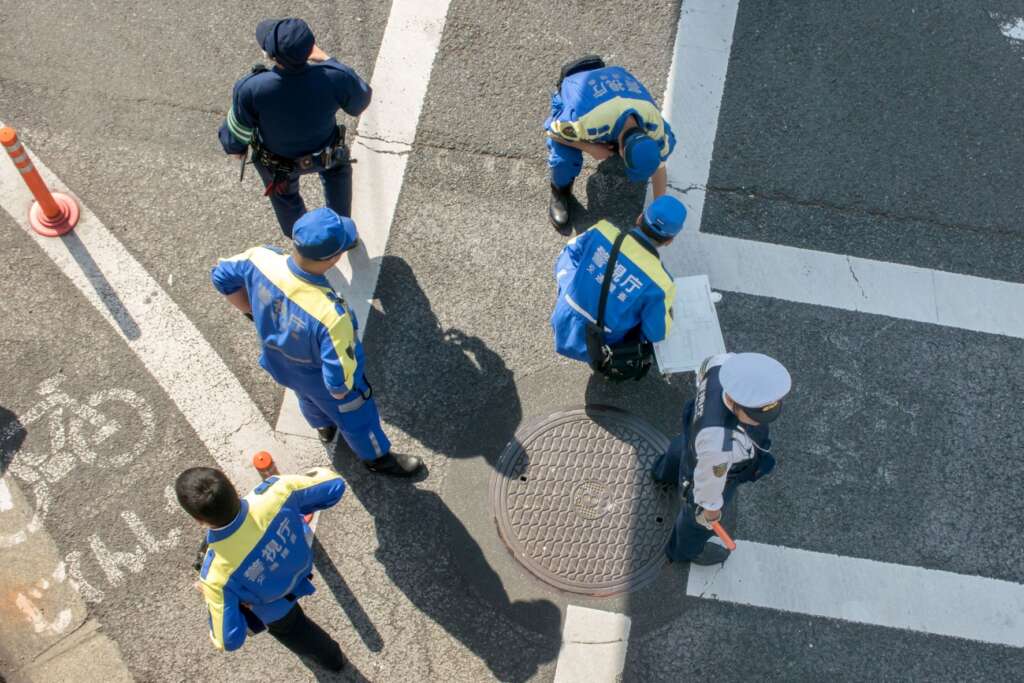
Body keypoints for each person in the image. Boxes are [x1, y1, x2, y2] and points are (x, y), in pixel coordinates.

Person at [210, 207, 423, 477]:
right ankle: (377, 458)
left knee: (307, 399)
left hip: (280, 365)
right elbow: (338, 385)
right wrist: (349, 393)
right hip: (320, 380)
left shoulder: (260, 258)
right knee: (357, 416)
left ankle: (323, 428)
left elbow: (221, 276)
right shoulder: (331, 316)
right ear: (334, 258)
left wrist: (251, 312)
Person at [176, 465, 346, 670]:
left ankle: (333, 661)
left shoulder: (215, 575)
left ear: (198, 520)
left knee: (295, 631)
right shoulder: (277, 492)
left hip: (274, 606)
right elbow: (334, 485)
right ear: (231, 485)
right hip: (300, 565)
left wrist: (209, 594)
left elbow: (227, 639)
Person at [218, 17, 372, 237]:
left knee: (285, 198)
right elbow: (360, 101)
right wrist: (329, 60)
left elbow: (238, 130)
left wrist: (235, 148)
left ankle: (303, 239)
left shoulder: (252, 87)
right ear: (311, 48)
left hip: (279, 164)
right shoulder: (334, 77)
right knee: (338, 175)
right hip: (326, 153)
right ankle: (342, 231)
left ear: (270, 55)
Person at [653, 352, 792, 565]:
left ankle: (662, 472)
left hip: (695, 435)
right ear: (736, 402)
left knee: (680, 450)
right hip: (709, 465)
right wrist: (710, 511)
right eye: (754, 416)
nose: (759, 422)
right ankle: (682, 551)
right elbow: (709, 484)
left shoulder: (721, 366)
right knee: (695, 522)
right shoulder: (721, 444)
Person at [550, 195, 685, 371]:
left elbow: (568, 253)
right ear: (669, 241)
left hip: (563, 319)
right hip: (600, 342)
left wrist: (567, 286)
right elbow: (655, 333)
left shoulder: (601, 231)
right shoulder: (661, 283)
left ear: (640, 218)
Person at [544, 56, 677, 230]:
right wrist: (590, 147)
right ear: (621, 150)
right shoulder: (586, 122)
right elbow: (552, 131)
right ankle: (560, 191)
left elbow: (659, 166)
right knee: (563, 161)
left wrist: (657, 211)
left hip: (611, 88)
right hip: (578, 95)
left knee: (660, 148)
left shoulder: (655, 126)